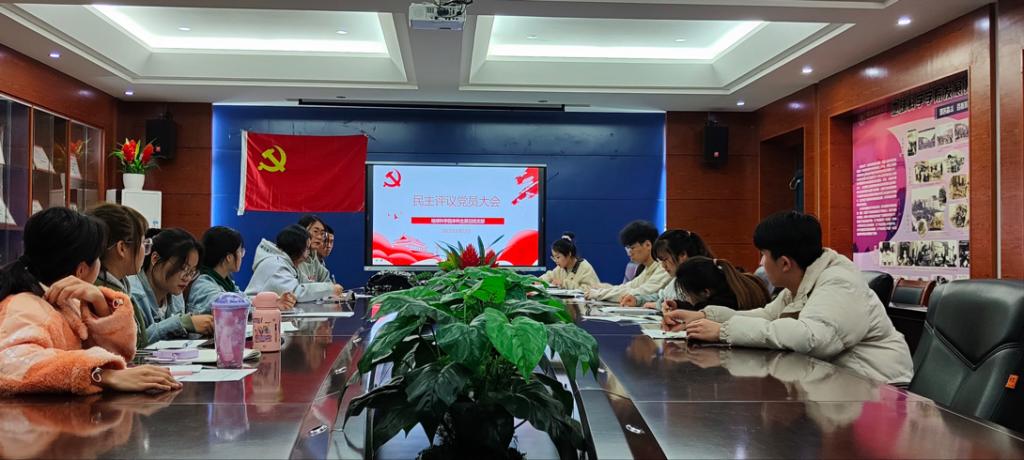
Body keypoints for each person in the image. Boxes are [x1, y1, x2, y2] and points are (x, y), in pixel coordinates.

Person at [665, 211, 914, 384]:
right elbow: (766, 316)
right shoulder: (801, 282)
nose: (760, 263)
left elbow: (812, 338)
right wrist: (703, 316)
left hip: (879, 391)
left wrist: (723, 332)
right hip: (838, 388)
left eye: (763, 255)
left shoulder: (839, 283)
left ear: (784, 263)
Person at [0, 207, 180, 395]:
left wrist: (101, 306)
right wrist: (100, 375)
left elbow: (119, 355)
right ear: (81, 270)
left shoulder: (67, 301)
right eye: (98, 257)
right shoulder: (23, 305)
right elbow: (12, 362)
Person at [128, 228, 213, 344]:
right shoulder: (133, 295)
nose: (187, 278)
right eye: (183, 268)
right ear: (155, 259)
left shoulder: (175, 294)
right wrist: (181, 323)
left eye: (192, 271)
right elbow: (135, 343)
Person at [188, 226, 296, 314]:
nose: (242, 256)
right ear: (229, 257)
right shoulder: (203, 283)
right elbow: (229, 305)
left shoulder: (227, 282)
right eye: (240, 251)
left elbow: (244, 300)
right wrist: (270, 303)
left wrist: (274, 303)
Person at [87, 203, 151, 350]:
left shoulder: (118, 286)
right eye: (143, 242)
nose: (145, 250)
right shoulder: (102, 294)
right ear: (122, 248)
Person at [245, 224, 343, 302]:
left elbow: (304, 283)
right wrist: (329, 289)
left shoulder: (287, 263)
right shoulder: (275, 264)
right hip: (253, 316)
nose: (308, 252)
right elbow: (295, 292)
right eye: (307, 248)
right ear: (298, 248)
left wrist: (329, 289)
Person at [620, 229, 714, 309]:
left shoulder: (702, 278)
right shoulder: (677, 279)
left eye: (665, 259)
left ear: (683, 255)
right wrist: (637, 300)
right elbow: (662, 296)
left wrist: (658, 305)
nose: (663, 266)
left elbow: (693, 307)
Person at [587, 220, 671, 302]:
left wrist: (599, 294)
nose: (629, 253)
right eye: (627, 248)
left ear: (647, 245)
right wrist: (601, 288)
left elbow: (638, 293)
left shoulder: (664, 267)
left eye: (632, 248)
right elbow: (628, 287)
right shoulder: (648, 268)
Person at [659, 256, 770, 315]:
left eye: (686, 294)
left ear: (706, 292)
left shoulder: (721, 304)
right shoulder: (730, 288)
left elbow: (699, 311)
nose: (687, 298)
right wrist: (677, 304)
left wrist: (679, 309)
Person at [297, 215, 331, 284]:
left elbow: (327, 282)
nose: (319, 237)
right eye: (315, 231)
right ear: (301, 231)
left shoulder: (314, 257)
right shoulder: (293, 257)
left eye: (322, 234)